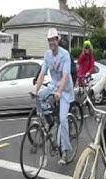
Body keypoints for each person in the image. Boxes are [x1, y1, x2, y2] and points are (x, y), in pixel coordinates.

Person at [32, 28, 74, 165]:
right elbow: (42, 74)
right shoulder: (47, 55)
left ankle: (65, 152)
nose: (52, 43)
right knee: (39, 97)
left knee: (63, 120)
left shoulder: (65, 54)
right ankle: (47, 119)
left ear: (58, 40)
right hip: (53, 86)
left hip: (65, 89)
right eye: (50, 40)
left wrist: (59, 92)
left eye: (54, 40)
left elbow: (66, 76)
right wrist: (35, 89)